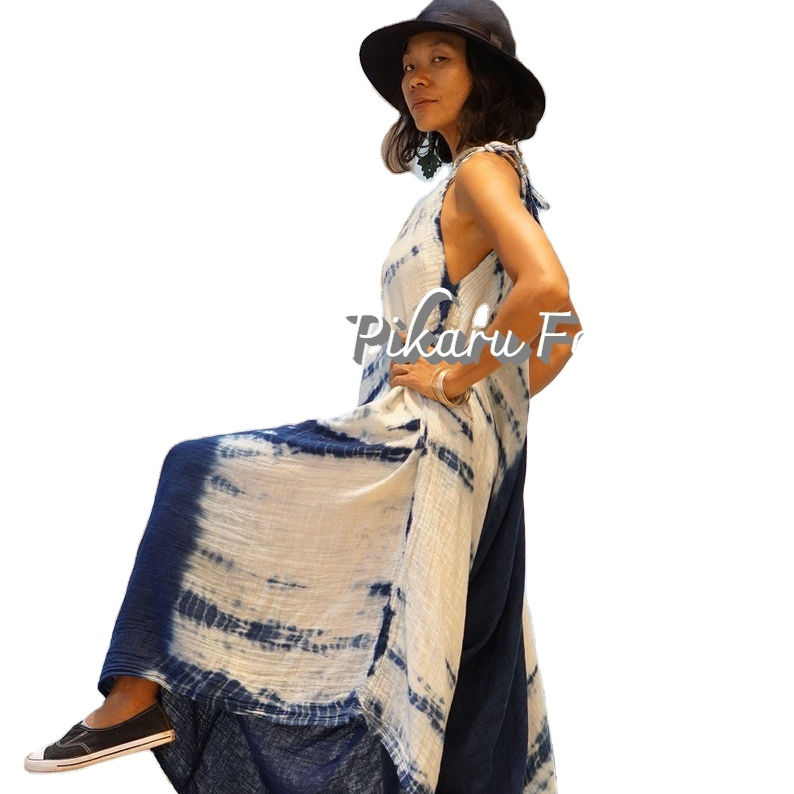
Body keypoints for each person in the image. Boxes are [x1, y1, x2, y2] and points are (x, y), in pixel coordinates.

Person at [24, 1, 579, 792]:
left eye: (439, 60)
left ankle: (136, 697)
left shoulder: (483, 171)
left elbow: (548, 291)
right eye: (409, 66)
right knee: (404, 647)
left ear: (482, 75)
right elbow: (560, 333)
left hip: (418, 441)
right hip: (442, 447)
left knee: (196, 471)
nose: (416, 78)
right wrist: (495, 399)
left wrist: (458, 381)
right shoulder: (473, 182)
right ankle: (144, 697)